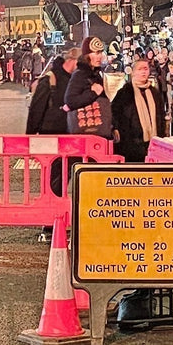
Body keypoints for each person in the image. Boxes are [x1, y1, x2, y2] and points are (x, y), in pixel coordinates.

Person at [26, 43, 82, 242]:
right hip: (53, 138)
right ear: (71, 61)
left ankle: (71, 217)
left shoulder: (77, 80)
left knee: (76, 177)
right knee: (56, 180)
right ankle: (51, 220)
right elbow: (36, 109)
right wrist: (29, 138)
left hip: (74, 137)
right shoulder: (50, 79)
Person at [112, 59, 167, 162]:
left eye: (145, 69)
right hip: (131, 146)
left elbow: (161, 116)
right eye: (140, 69)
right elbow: (115, 115)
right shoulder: (125, 92)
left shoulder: (154, 92)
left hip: (153, 145)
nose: (143, 72)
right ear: (133, 72)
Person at [64, 36, 113, 141]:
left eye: (100, 52)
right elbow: (70, 101)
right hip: (85, 134)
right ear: (87, 55)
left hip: (97, 134)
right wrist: (93, 93)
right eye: (96, 53)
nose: (99, 57)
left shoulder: (95, 74)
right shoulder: (80, 74)